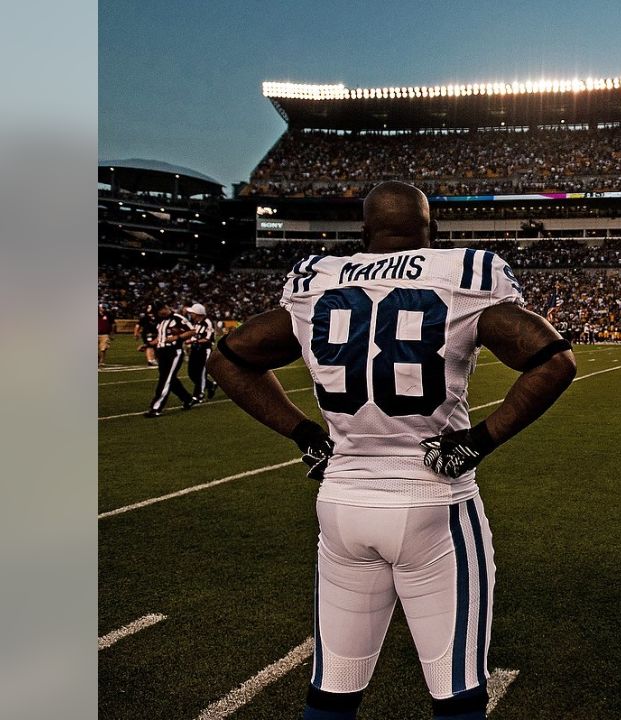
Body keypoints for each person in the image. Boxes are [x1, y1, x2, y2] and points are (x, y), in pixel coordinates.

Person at [209, 181, 576, 720]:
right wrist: (477, 442)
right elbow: (555, 362)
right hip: (432, 498)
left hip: (341, 504)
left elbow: (228, 360)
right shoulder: (463, 273)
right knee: (458, 692)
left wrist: (303, 432)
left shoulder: (318, 280)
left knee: (332, 687)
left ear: (364, 232)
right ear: (432, 233)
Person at [144, 302, 198, 417]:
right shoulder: (161, 320)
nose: (157, 314)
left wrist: (177, 337)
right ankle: (187, 399)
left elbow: (192, 331)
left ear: (164, 308)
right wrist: (149, 344)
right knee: (170, 378)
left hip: (173, 352)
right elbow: (160, 337)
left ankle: (156, 407)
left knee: (165, 379)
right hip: (162, 352)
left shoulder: (178, 318)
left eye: (157, 312)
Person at [185, 303, 218, 402]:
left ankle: (199, 394)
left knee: (201, 373)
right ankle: (210, 385)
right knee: (192, 373)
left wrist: (193, 341)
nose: (191, 314)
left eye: (192, 313)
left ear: (198, 313)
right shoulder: (195, 323)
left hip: (204, 350)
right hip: (195, 349)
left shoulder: (207, 322)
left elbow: (208, 339)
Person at [98, 304, 114, 368]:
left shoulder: (109, 315)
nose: (104, 309)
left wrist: (112, 333)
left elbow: (112, 324)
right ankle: (97, 358)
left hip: (105, 334)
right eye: (102, 308)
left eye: (104, 308)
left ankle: (102, 361)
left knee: (103, 348)